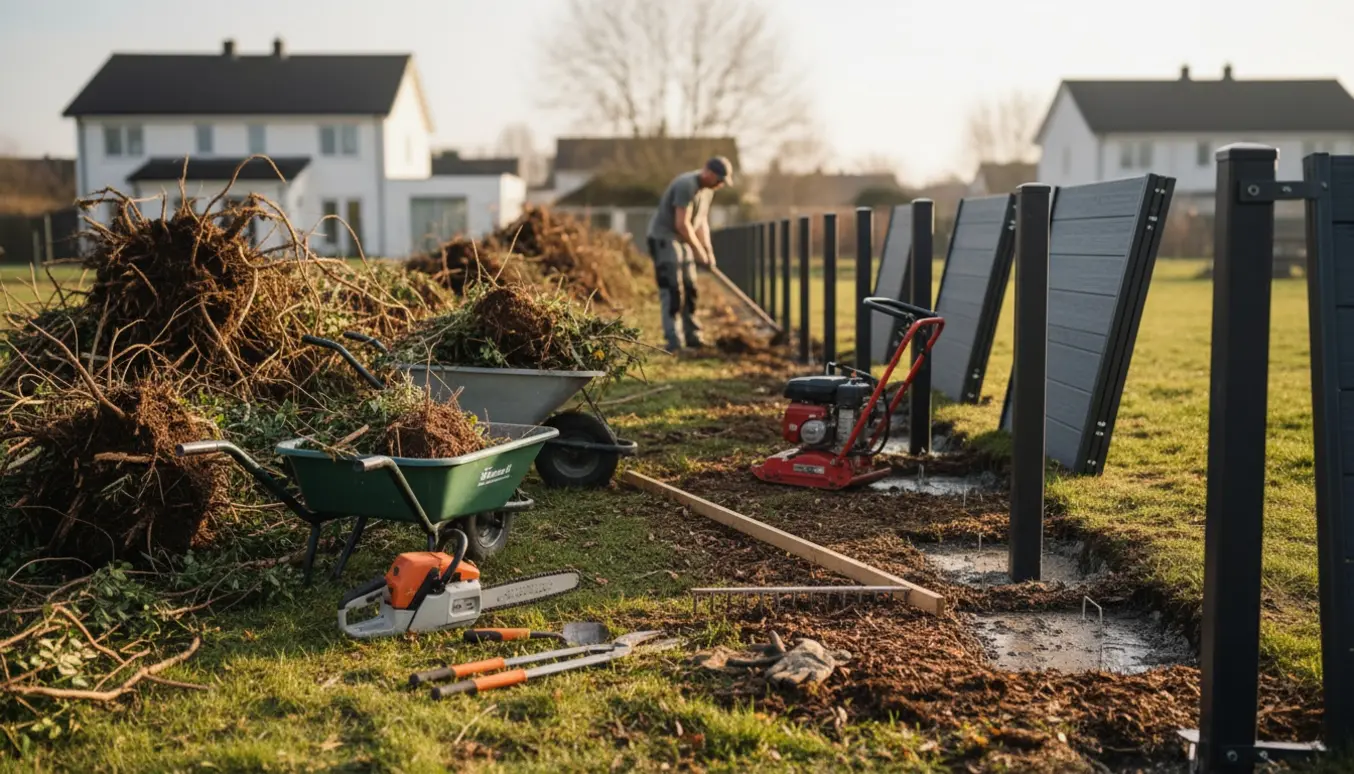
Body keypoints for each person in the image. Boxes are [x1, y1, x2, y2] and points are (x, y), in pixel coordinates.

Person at [645, 156, 733, 352]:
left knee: (690, 287)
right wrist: (698, 250)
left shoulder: (708, 191)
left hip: (683, 239)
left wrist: (708, 251)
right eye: (719, 179)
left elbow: (701, 223)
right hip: (664, 238)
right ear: (708, 172)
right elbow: (681, 224)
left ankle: (692, 336)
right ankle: (674, 341)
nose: (720, 185)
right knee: (673, 289)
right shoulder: (686, 185)